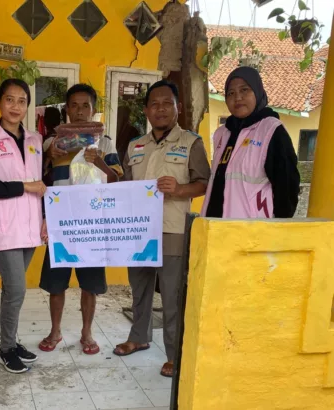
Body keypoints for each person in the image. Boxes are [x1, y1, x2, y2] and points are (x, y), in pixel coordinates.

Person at [113, 80, 211, 378]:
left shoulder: (190, 143)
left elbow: (205, 183)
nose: (160, 109)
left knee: (171, 294)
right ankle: (139, 337)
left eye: (167, 103)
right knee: (140, 287)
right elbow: (127, 186)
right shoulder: (134, 146)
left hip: (172, 229)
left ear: (177, 108)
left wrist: (180, 189)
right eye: (154, 104)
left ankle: (174, 354)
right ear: (146, 110)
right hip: (138, 230)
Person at [38, 84, 123, 355]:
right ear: (66, 110)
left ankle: (87, 332)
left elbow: (117, 179)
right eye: (73, 105)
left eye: (85, 105)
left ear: (93, 109)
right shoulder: (52, 143)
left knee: (90, 284)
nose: (78, 111)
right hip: (61, 223)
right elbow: (39, 176)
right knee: (56, 283)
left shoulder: (105, 142)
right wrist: (51, 154)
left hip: (92, 226)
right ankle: (55, 330)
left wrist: (99, 161)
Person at [0, 79, 46, 374]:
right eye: (10, 100)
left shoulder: (35, 140)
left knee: (14, 290)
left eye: (22, 101)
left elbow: (40, 184)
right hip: (3, 227)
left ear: (28, 105)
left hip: (29, 226)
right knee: (16, 288)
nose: (15, 106)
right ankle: (5, 348)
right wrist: (26, 186)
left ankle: (12, 342)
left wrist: (43, 218)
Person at [202, 66, 300, 218]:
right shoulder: (222, 133)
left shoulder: (271, 130)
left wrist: (277, 227)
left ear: (257, 91)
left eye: (244, 90)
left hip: (253, 232)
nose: (238, 98)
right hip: (217, 228)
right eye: (231, 93)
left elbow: (287, 187)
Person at [42, 106, 61, 186]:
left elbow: (43, 167)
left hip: (50, 183)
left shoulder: (46, 141)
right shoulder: (64, 138)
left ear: (45, 121)